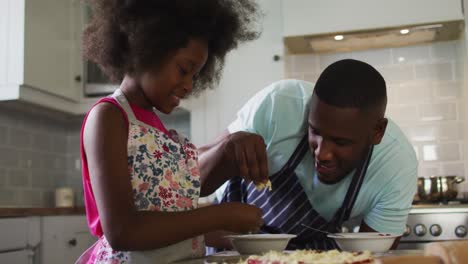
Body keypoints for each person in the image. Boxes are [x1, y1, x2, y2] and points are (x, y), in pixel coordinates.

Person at [78, 0, 264, 263]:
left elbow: (168, 223)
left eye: (195, 76)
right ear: (147, 49)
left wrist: (228, 234)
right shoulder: (108, 117)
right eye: (184, 70)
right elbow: (123, 231)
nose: (189, 86)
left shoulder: (159, 131)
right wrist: (223, 214)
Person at [198, 59, 418, 250]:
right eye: (315, 131)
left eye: (341, 142)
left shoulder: (396, 166)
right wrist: (228, 147)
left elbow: (372, 256)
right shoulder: (279, 104)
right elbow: (187, 184)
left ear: (377, 132)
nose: (322, 154)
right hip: (232, 250)